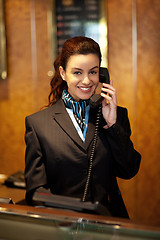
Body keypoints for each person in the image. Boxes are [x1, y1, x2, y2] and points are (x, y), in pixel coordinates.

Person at [24, 36, 141, 218]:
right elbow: (35, 192)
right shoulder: (38, 124)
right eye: (77, 72)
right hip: (62, 228)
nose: (87, 81)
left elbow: (129, 170)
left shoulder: (115, 116)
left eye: (93, 72)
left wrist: (112, 125)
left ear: (101, 74)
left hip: (108, 224)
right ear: (63, 73)